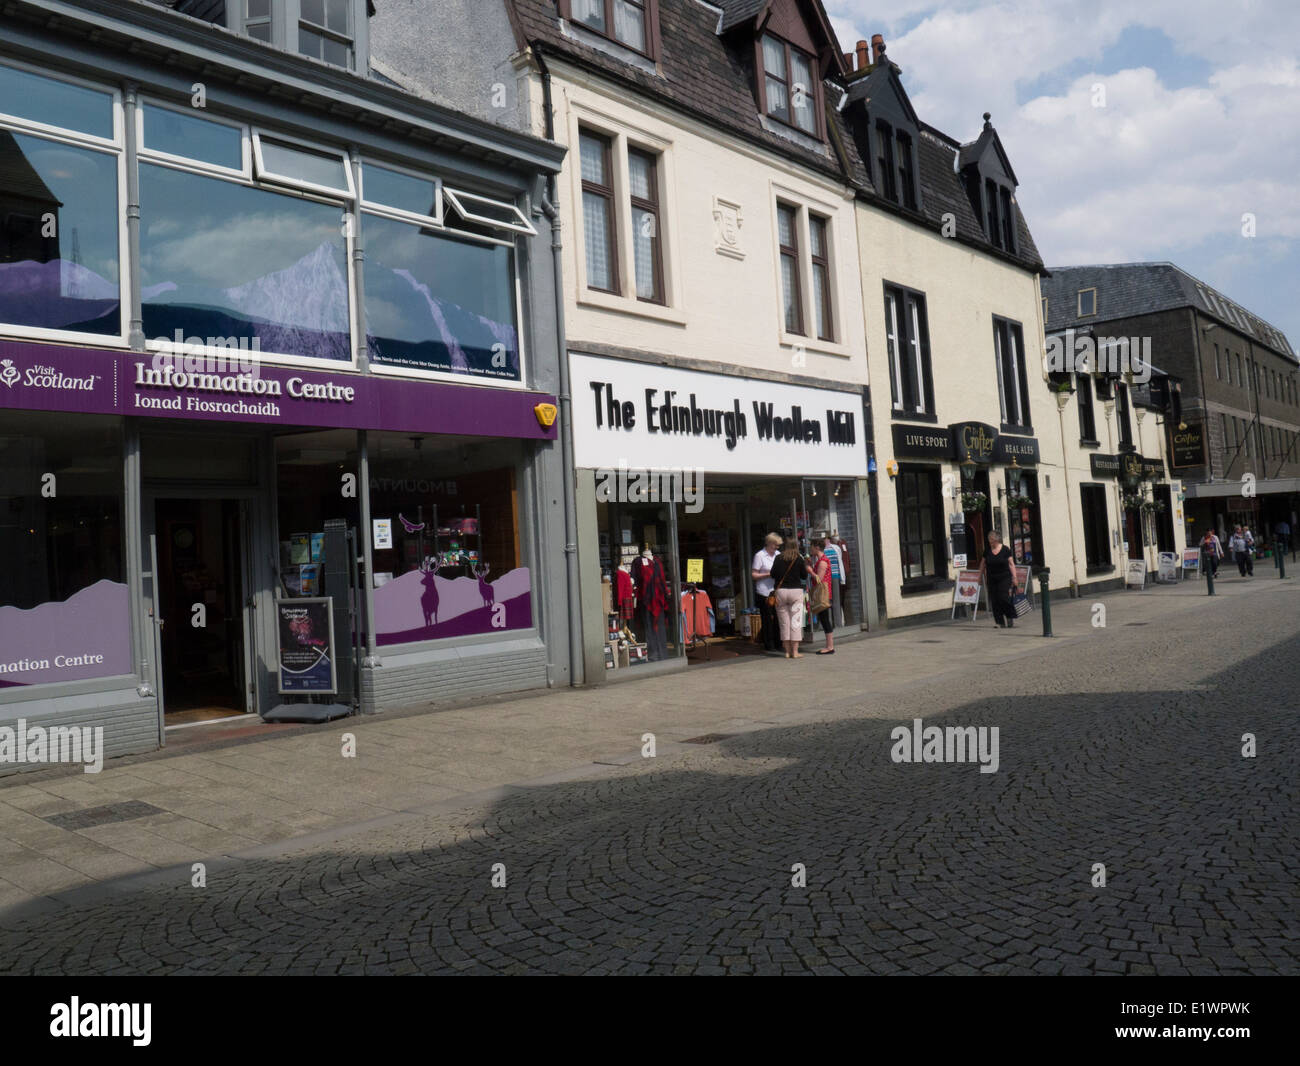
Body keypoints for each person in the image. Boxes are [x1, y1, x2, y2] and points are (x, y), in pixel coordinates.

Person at [770, 538, 809, 658]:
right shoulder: (799, 558)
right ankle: (795, 652)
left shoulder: (778, 558)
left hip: (781, 592)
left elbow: (772, 574)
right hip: (796, 591)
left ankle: (787, 652)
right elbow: (804, 575)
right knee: (795, 622)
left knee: (784, 623)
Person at [751, 532, 782, 652]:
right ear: (769, 543)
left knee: (779, 618)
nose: (777, 548)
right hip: (764, 592)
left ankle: (779, 642)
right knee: (767, 619)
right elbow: (754, 574)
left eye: (778, 545)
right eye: (775, 545)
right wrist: (768, 574)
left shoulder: (778, 555)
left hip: (776, 591)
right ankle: (769, 644)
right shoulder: (760, 555)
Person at [980, 531, 1018, 628]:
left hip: (1004, 577)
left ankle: (1009, 616)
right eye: (989, 540)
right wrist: (980, 576)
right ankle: (999, 622)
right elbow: (983, 564)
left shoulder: (1005, 549)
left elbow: (1011, 564)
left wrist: (1014, 577)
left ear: (997, 540)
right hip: (992, 578)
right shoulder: (987, 550)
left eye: (992, 540)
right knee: (995, 600)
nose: (990, 542)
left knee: (1003, 597)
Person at [809, 539, 834, 654]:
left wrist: (810, 571)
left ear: (817, 547)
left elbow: (819, 578)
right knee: (823, 618)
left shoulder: (823, 561)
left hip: (824, 594)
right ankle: (829, 646)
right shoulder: (820, 560)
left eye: (812, 546)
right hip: (824, 593)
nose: (810, 549)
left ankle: (830, 647)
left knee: (824, 619)